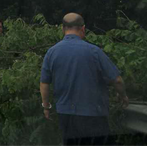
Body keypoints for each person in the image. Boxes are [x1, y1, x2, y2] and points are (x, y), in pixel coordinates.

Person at [40, 13, 129, 145]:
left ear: (63, 29)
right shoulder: (94, 51)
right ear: (83, 29)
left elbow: (44, 83)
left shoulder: (52, 52)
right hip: (93, 114)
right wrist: (123, 96)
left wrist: (46, 107)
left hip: (66, 114)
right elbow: (117, 80)